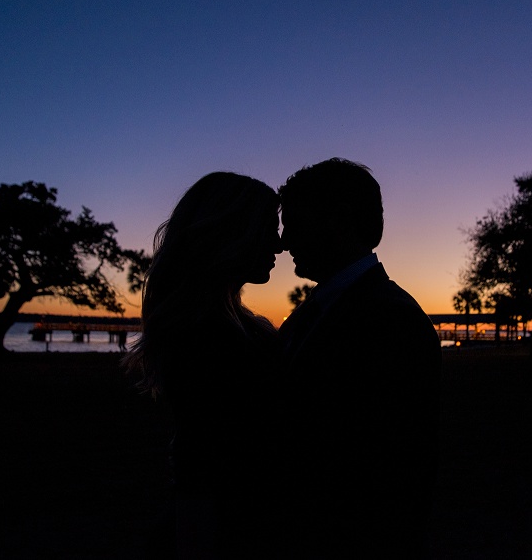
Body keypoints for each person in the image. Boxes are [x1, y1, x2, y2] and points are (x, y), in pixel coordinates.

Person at [277, 158, 442, 558]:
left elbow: (384, 469)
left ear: (338, 220)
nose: (283, 241)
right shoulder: (322, 308)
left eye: (295, 223)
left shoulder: (390, 319)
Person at [124, 172, 283, 557]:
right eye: (267, 228)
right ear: (232, 232)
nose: (280, 243)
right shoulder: (208, 337)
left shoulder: (219, 326)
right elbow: (206, 464)